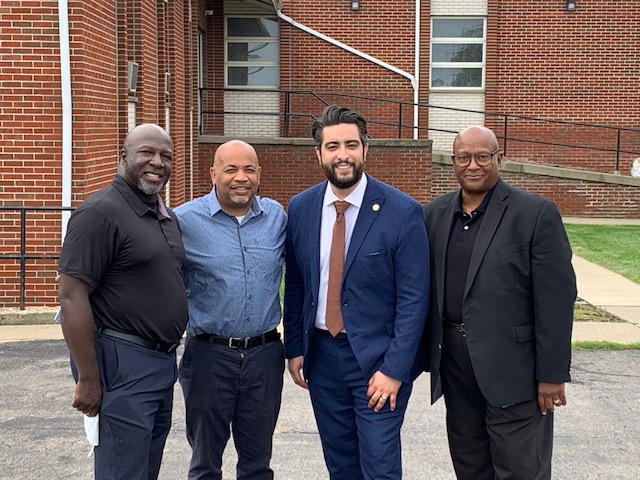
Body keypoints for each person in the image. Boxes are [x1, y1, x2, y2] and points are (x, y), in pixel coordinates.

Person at [283, 105, 430, 479]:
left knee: (379, 467)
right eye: (332, 146)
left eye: (351, 144)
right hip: (322, 357)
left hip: (377, 364)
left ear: (366, 150)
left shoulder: (403, 211)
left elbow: (415, 300)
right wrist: (295, 349)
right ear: (319, 154)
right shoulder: (301, 208)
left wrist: (394, 370)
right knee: (341, 465)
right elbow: (298, 282)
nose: (342, 155)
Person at [422, 125, 577, 479]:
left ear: (498, 159)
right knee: (470, 466)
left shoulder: (534, 213)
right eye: (464, 157)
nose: (473, 165)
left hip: (515, 370)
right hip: (456, 367)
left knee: (521, 469)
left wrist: (552, 373)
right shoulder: (434, 215)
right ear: (454, 161)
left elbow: (557, 298)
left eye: (482, 157)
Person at [58, 123, 188, 480]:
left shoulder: (162, 213)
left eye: (166, 156)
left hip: (161, 362)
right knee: (122, 469)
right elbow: (71, 298)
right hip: (121, 361)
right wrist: (87, 378)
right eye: (147, 152)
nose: (157, 162)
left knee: (144, 468)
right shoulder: (100, 212)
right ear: (123, 156)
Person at [175, 140, 286, 480]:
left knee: (257, 464)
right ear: (213, 173)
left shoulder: (276, 217)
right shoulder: (183, 221)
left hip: (264, 356)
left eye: (249, 169)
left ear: (259, 174)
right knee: (206, 463)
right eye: (231, 169)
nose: (241, 178)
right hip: (209, 356)